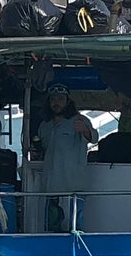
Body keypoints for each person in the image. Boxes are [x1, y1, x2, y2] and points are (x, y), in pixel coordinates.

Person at [29, 84, 96, 231]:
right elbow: (44, 151)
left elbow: (93, 138)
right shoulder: (44, 125)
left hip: (74, 186)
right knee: (53, 228)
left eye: (60, 99)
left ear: (68, 101)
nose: (56, 102)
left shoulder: (79, 121)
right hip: (51, 187)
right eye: (53, 99)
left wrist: (85, 130)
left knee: (75, 229)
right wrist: (36, 153)